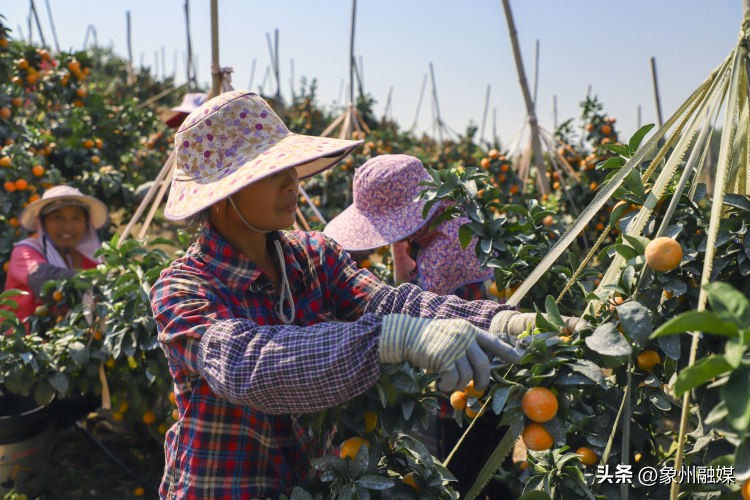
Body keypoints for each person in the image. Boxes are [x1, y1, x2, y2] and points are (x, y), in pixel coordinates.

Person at [149, 90, 578, 498]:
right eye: (268, 172)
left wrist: (502, 320)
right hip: (222, 488)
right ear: (222, 195)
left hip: (316, 483)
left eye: (288, 166)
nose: (290, 181)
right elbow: (247, 365)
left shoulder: (312, 255)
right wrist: (390, 338)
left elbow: (393, 301)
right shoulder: (183, 289)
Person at [323, 154, 510, 496]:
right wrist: (400, 242)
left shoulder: (442, 251)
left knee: (472, 475)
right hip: (476, 371)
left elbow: (414, 314)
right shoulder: (452, 213)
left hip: (468, 378)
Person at [4, 185, 108, 321]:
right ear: (43, 222)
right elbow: (41, 278)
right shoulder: (25, 251)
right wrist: (100, 280)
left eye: (76, 218)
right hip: (20, 340)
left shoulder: (88, 261)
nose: (67, 226)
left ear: (86, 223)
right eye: (58, 218)